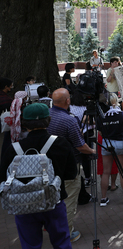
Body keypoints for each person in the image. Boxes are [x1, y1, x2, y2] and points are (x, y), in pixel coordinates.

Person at [0, 103, 77, 249]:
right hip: (54, 200)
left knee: (30, 245)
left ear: (24, 123)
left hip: (23, 203)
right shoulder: (61, 143)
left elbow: (3, 177)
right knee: (62, 243)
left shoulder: (13, 149)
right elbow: (71, 173)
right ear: (48, 120)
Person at [48, 88, 96, 243]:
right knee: (68, 200)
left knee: (52, 196)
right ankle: (66, 232)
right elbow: (80, 145)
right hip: (68, 165)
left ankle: (50, 225)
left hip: (48, 164)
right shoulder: (69, 120)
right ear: (67, 101)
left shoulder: (46, 115)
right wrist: (93, 151)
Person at [98, 93, 123, 206]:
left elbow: (100, 133)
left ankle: (103, 198)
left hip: (107, 143)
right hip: (120, 143)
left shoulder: (102, 116)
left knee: (105, 172)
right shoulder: (122, 115)